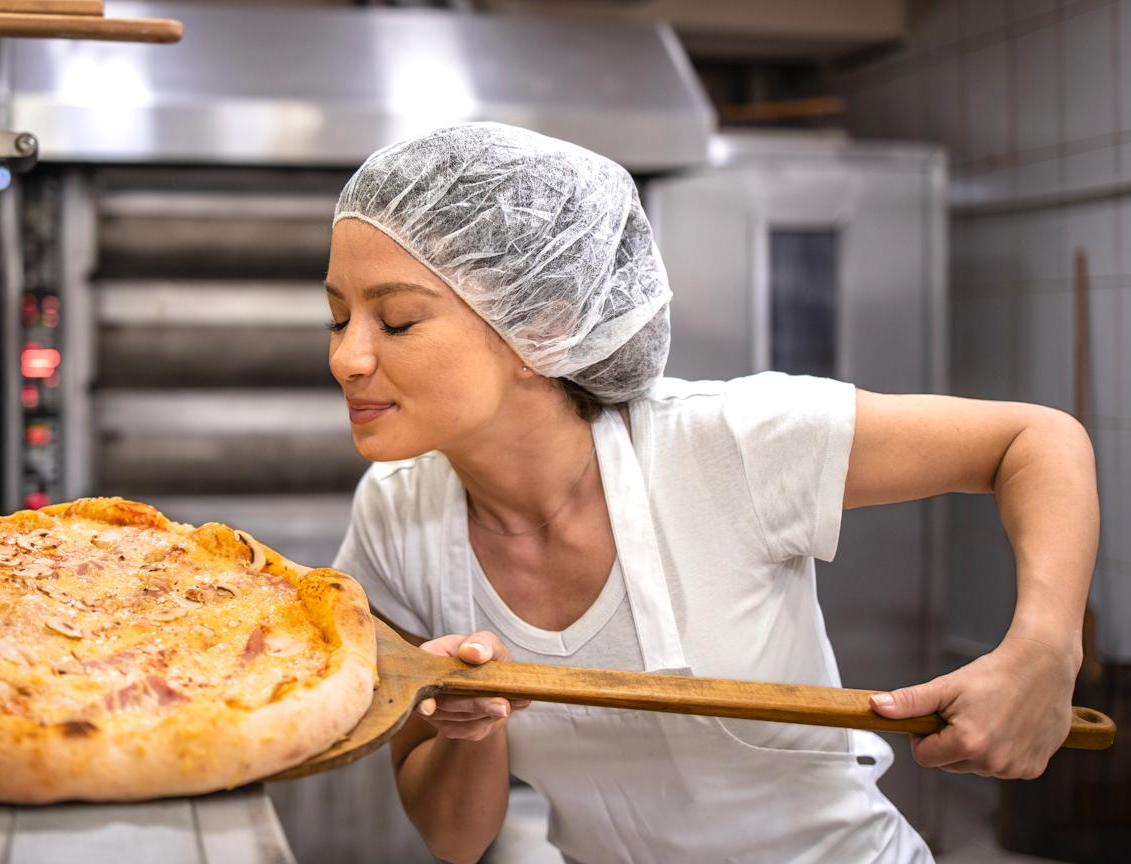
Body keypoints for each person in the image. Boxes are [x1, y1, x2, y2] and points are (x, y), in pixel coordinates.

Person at [324, 122, 1098, 864]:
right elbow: (455, 840)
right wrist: (472, 728)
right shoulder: (396, 518)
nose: (347, 358)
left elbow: (1034, 441)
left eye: (394, 321)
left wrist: (1042, 651)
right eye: (337, 317)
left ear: (541, 327)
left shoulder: (724, 443)